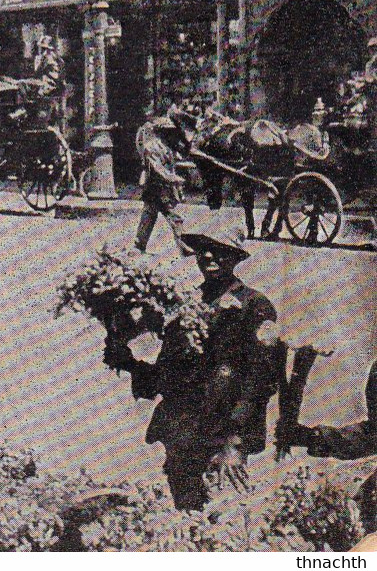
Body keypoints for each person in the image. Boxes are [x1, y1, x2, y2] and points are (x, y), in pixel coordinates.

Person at [106, 223, 281, 510]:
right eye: (203, 249)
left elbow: (261, 380)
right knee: (187, 511)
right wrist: (127, 361)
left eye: (219, 250)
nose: (209, 256)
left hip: (222, 428)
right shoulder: (185, 302)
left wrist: (234, 441)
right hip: (182, 428)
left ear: (235, 258)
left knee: (220, 514)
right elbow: (168, 370)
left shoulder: (254, 306)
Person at [135, 107, 190, 252]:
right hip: (155, 187)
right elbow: (157, 168)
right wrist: (174, 179)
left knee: (149, 217)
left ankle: (138, 245)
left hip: (163, 189)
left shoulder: (167, 147)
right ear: (160, 132)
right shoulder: (151, 147)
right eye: (168, 131)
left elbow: (173, 164)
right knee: (172, 218)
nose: (171, 134)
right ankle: (184, 247)